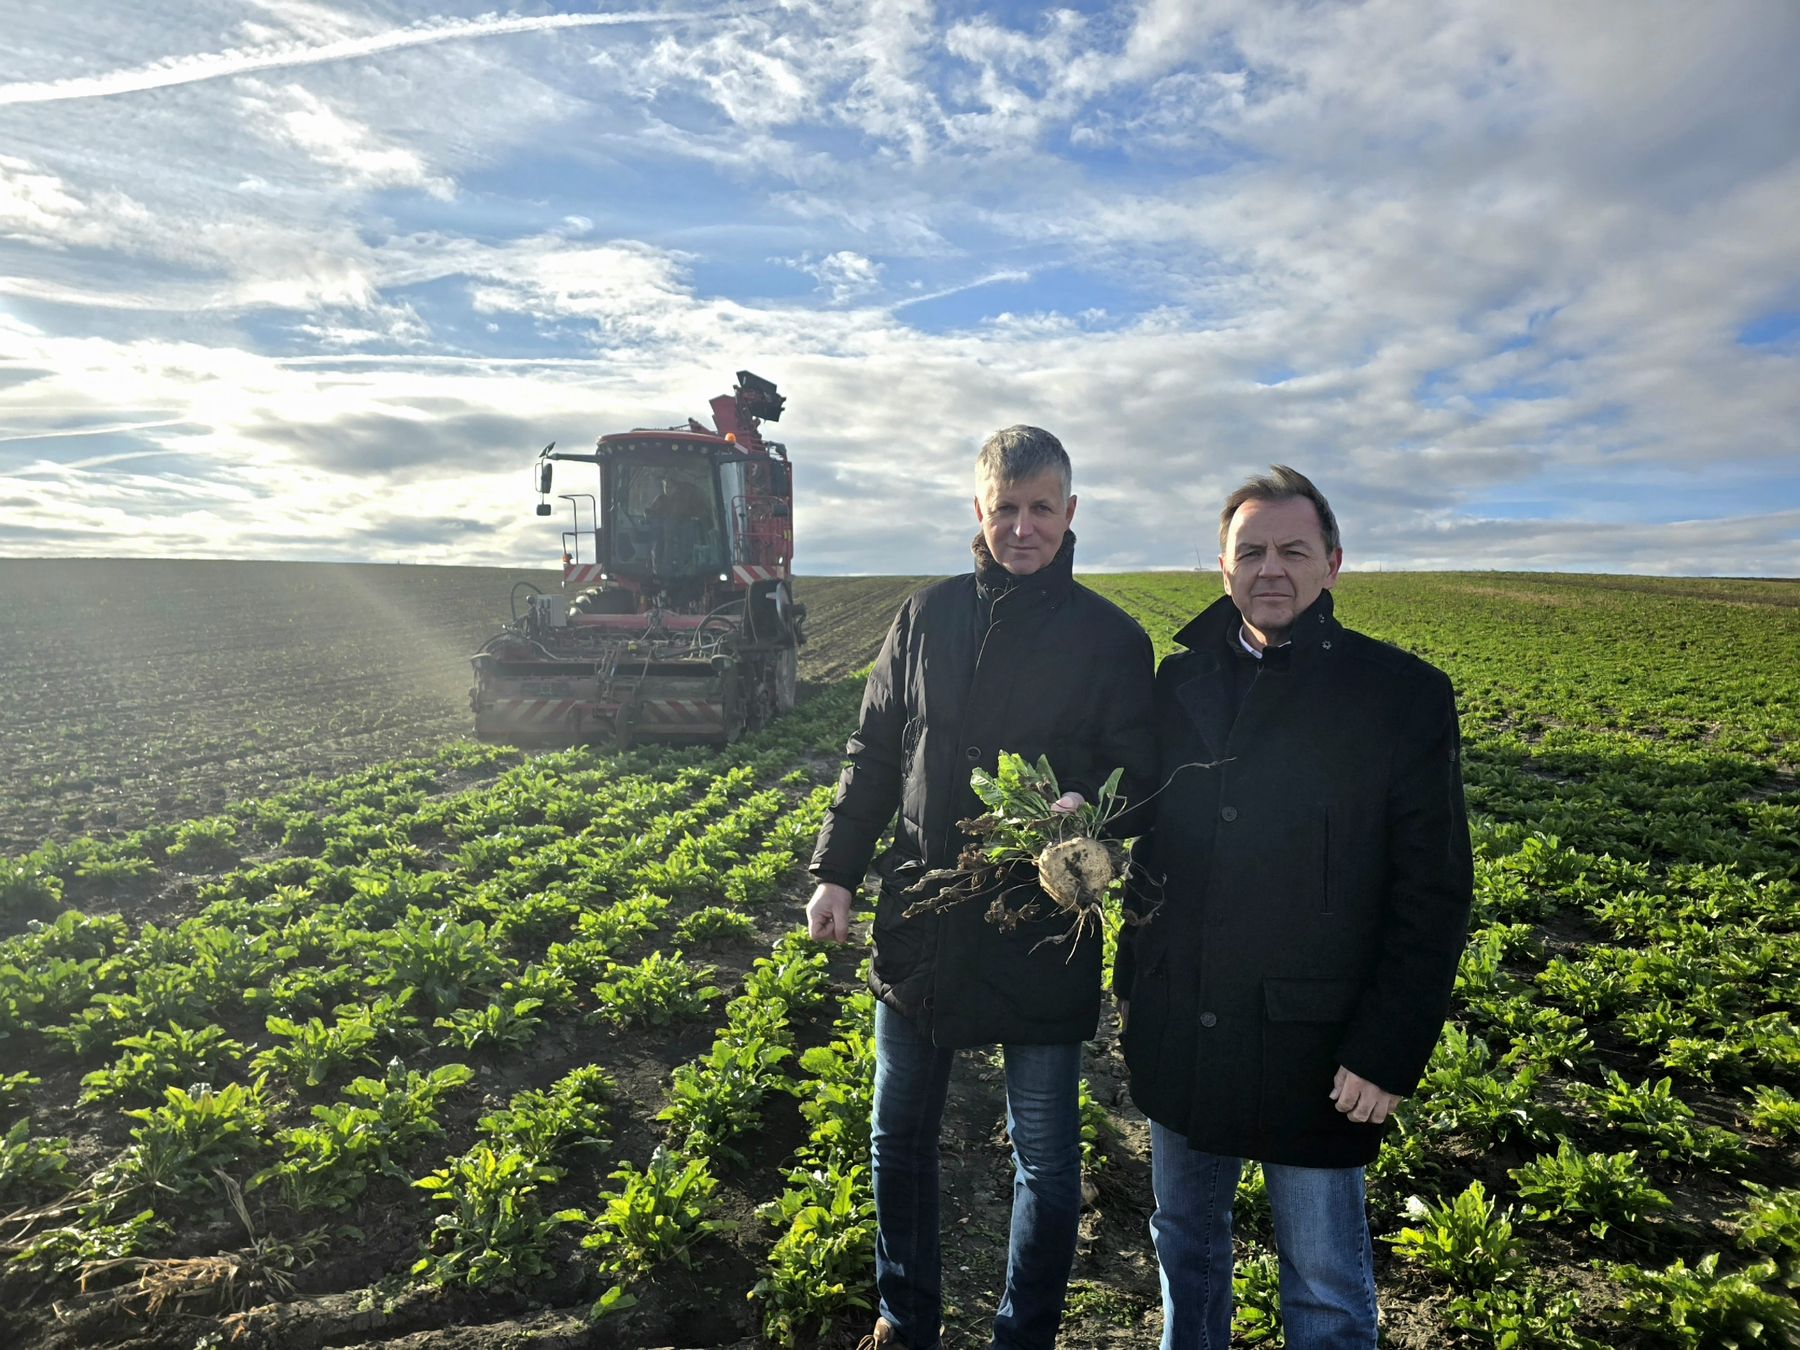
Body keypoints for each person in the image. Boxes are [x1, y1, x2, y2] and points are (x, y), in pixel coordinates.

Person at [807, 425, 1157, 1350]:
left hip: (1040, 925)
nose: (1023, 525)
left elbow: (1139, 775)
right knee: (897, 1135)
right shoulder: (926, 617)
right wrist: (837, 871)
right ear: (979, 510)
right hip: (924, 916)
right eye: (1005, 507)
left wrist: (1091, 823)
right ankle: (903, 1315)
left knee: (1044, 1156)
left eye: (1042, 508)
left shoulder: (1111, 640)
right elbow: (874, 751)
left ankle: (1024, 1333)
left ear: (1071, 513)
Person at [1116, 466, 1473, 1349]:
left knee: (1323, 1285)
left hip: (1315, 1043)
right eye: (1251, 552)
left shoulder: (1398, 697)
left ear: (1333, 564)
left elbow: (1433, 890)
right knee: (1186, 1252)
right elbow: (1149, 830)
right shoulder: (1181, 682)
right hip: (1183, 1020)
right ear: (1223, 567)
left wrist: (1388, 1049)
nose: (1270, 568)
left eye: (1292, 550)